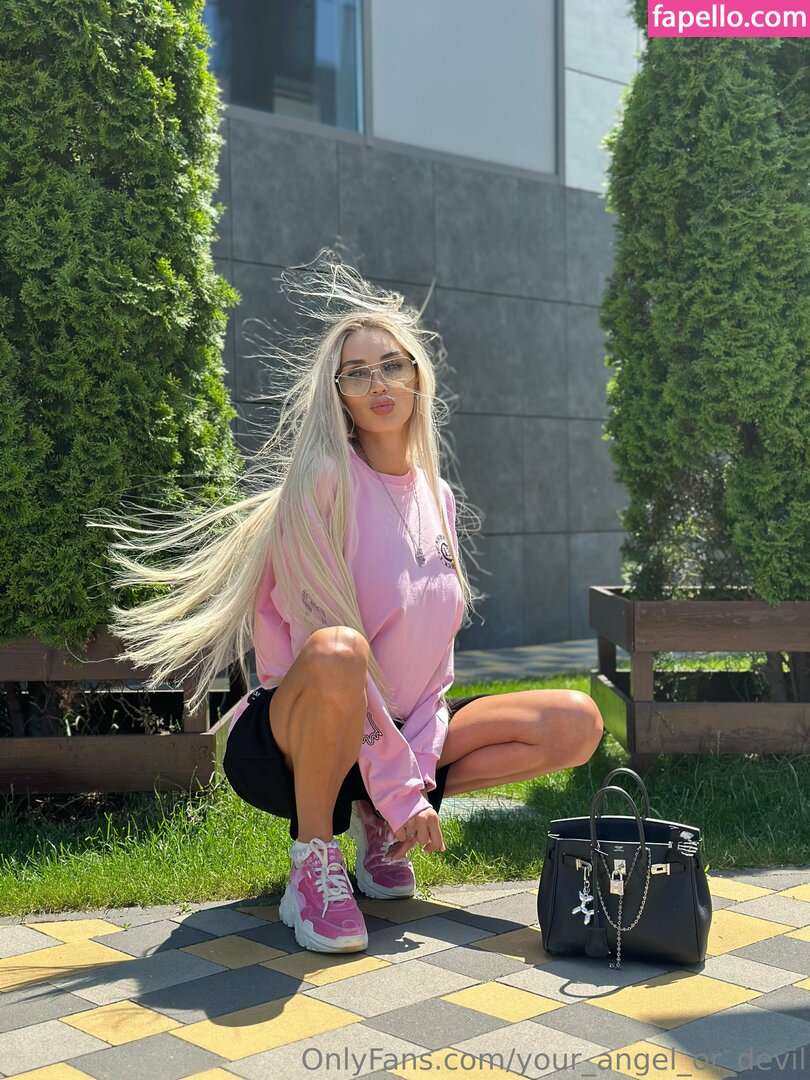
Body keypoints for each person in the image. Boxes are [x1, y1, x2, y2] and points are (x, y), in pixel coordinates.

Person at [93, 251, 603, 956]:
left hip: (396, 733)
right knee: (340, 649)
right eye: (357, 373)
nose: (378, 383)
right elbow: (329, 655)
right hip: (297, 740)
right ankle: (314, 861)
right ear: (340, 397)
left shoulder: (438, 495)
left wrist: (406, 778)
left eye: (392, 365)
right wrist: (401, 788)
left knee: (575, 723)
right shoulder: (324, 483)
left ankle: (376, 823)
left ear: (417, 376)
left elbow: (434, 666)